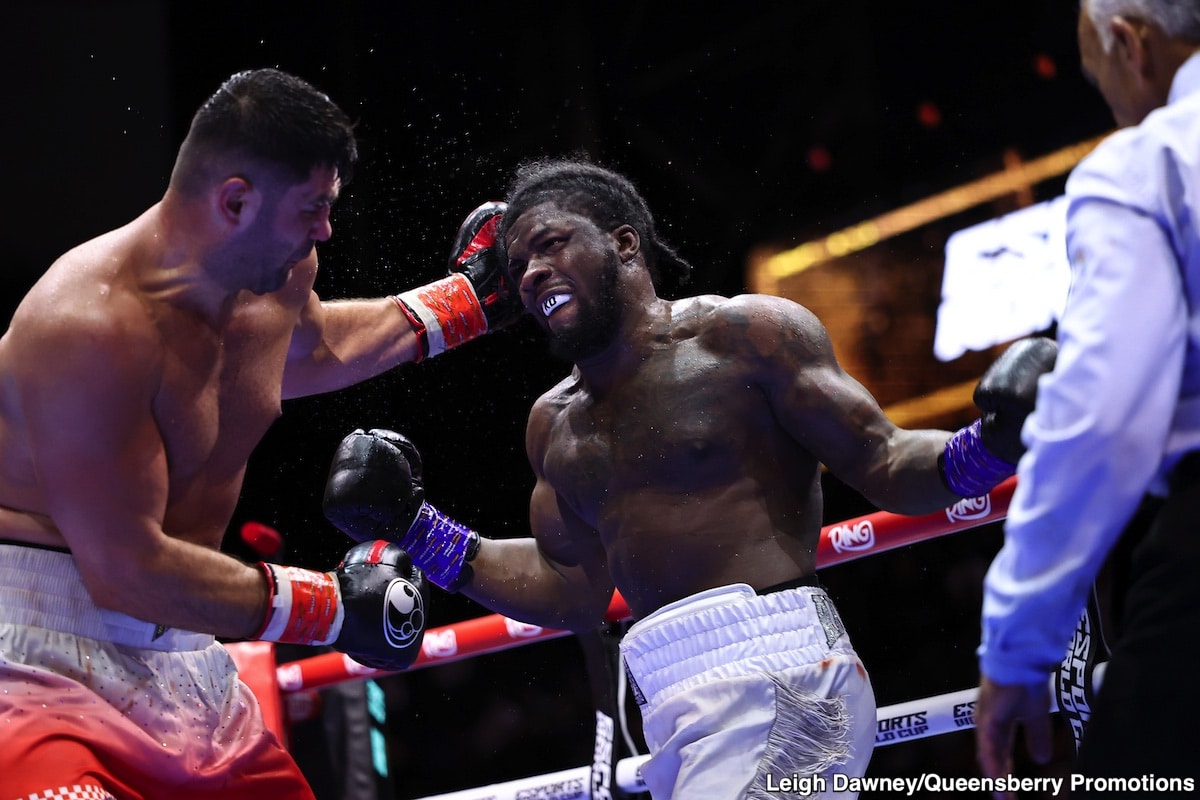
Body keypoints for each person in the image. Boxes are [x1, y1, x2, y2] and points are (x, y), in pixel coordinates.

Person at [322, 158, 1058, 798]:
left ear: (623, 242)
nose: (532, 272)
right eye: (517, 267)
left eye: (550, 245)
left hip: (781, 674)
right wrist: (420, 527)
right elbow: (570, 586)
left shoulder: (748, 337)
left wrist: (991, 444)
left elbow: (887, 462)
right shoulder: (554, 424)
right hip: (669, 700)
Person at [0, 68, 520, 800]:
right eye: (312, 208)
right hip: (40, 665)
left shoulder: (279, 272)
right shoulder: (88, 327)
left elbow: (310, 347)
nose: (326, 230)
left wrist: (465, 305)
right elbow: (126, 569)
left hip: (186, 656)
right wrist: (332, 606)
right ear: (235, 200)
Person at [974, 2, 1200, 796]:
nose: (1107, 97)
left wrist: (1017, 646)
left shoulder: (1147, 163)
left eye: (1096, 73)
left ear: (1127, 43)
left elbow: (1104, 418)